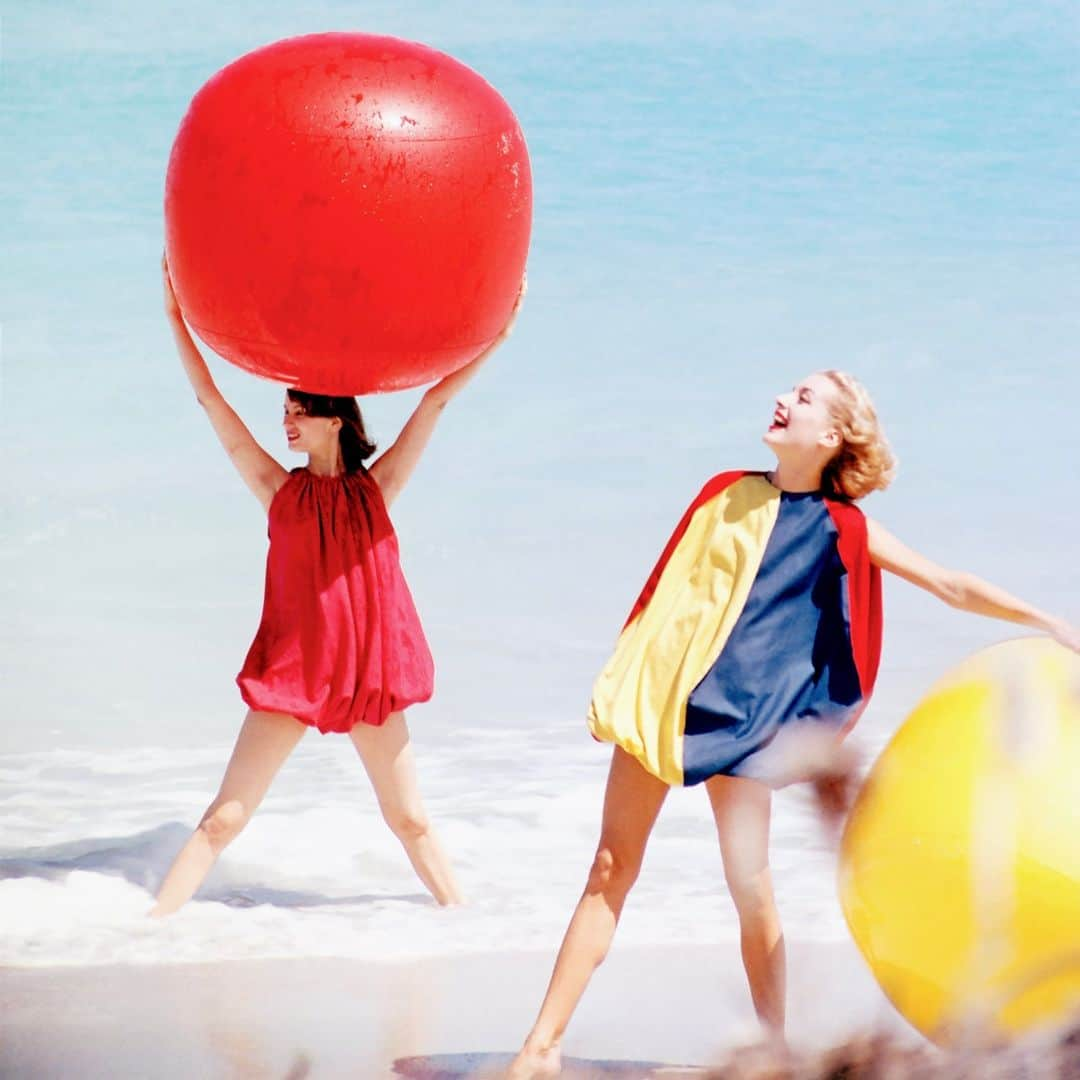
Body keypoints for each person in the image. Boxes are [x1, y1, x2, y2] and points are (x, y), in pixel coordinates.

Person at [508, 369, 1079, 1078]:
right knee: (609, 866)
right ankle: (541, 1047)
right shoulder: (724, 493)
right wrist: (621, 688)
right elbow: (665, 598)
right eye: (790, 391)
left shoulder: (846, 527)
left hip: (750, 726)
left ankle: (775, 1052)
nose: (783, 399)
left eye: (804, 399)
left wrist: (1047, 619)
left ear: (831, 436)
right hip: (672, 706)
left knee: (751, 890)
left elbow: (949, 584)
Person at [151, 257, 525, 917]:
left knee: (409, 820)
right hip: (294, 676)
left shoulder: (375, 491)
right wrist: (177, 316)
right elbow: (212, 401)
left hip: (365, 679)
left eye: (298, 410)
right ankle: (147, 931)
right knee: (223, 819)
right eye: (286, 409)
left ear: (336, 419)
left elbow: (436, 399)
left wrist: (498, 336)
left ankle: (468, 925)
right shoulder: (278, 490)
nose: (286, 421)